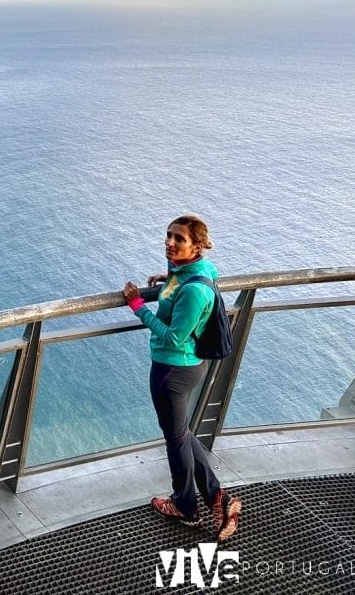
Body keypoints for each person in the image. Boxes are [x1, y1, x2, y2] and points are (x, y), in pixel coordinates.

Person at [122, 213, 242, 542]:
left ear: (197, 245)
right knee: (182, 434)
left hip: (172, 369)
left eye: (180, 239)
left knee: (176, 440)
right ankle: (218, 498)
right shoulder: (198, 271)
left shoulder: (193, 292)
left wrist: (137, 305)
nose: (171, 242)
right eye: (169, 235)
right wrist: (168, 279)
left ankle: (187, 508)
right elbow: (206, 272)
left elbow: (174, 336)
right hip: (187, 368)